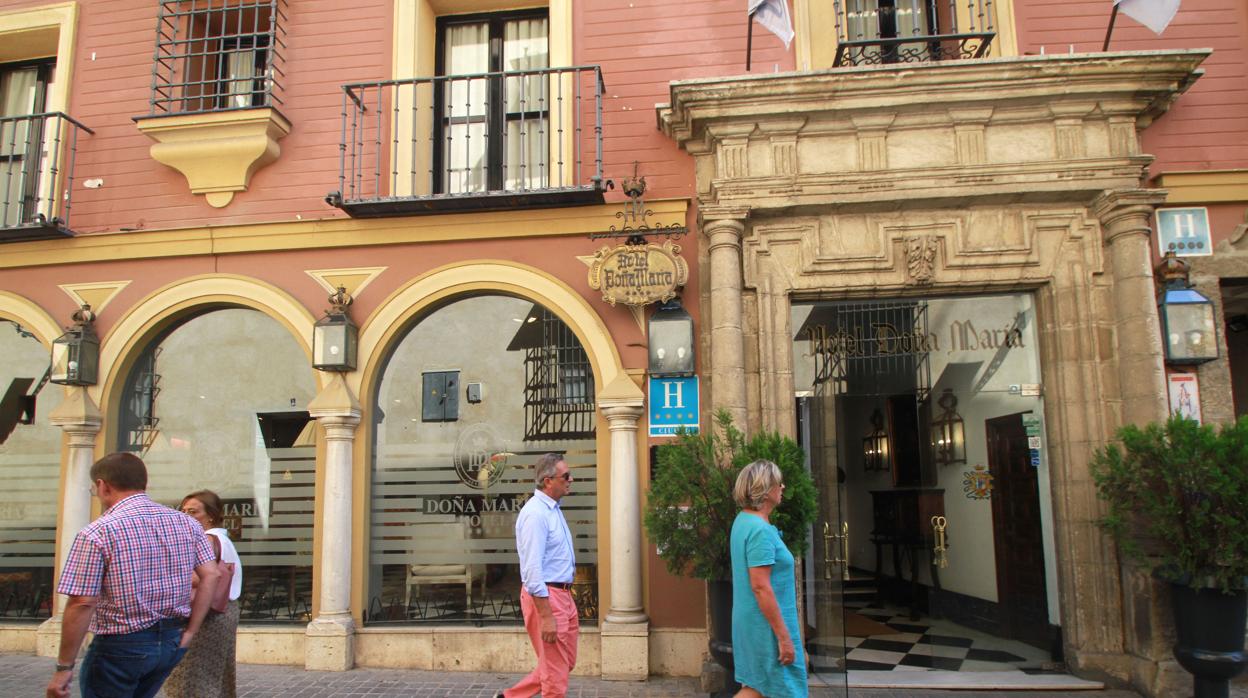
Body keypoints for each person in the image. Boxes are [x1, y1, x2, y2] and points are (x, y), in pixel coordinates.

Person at [46, 452, 220, 698]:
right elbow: (211, 575)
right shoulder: (186, 523)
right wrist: (190, 632)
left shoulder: (98, 532)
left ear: (103, 486)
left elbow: (82, 601)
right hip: (171, 638)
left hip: (120, 643)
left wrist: (64, 667)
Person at [496, 453, 578, 698]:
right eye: (566, 476)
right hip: (547, 596)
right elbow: (532, 571)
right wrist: (546, 616)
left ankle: (510, 697)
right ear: (547, 481)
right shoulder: (536, 514)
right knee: (555, 674)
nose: (571, 479)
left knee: (563, 663)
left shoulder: (552, 509)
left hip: (562, 595)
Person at [730, 459, 808, 698]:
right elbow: (761, 587)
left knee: (756, 688)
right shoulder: (759, 531)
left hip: (755, 622)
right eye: (778, 483)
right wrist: (784, 638)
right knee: (785, 690)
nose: (782, 487)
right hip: (766, 626)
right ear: (765, 490)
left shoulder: (744, 521)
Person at [163, 490, 244, 698]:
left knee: (190, 676)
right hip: (224, 610)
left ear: (211, 515)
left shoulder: (208, 539)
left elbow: (197, 577)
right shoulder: (223, 539)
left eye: (193, 512)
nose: (186, 516)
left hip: (207, 614)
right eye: (183, 511)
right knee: (215, 673)